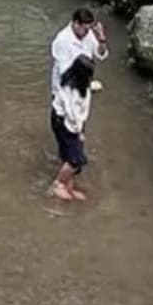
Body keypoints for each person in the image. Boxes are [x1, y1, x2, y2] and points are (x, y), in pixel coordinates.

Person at [49, 55, 96, 202]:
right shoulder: (71, 90)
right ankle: (58, 184)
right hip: (65, 122)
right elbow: (72, 113)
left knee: (68, 155)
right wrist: (78, 132)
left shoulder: (73, 81)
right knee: (76, 159)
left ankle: (69, 187)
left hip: (64, 119)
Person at [50, 7, 109, 101]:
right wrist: (89, 85)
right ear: (76, 24)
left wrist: (101, 38)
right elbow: (65, 73)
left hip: (82, 90)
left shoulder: (87, 34)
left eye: (89, 29)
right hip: (63, 94)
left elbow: (100, 54)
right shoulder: (62, 41)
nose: (87, 33)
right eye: (85, 29)